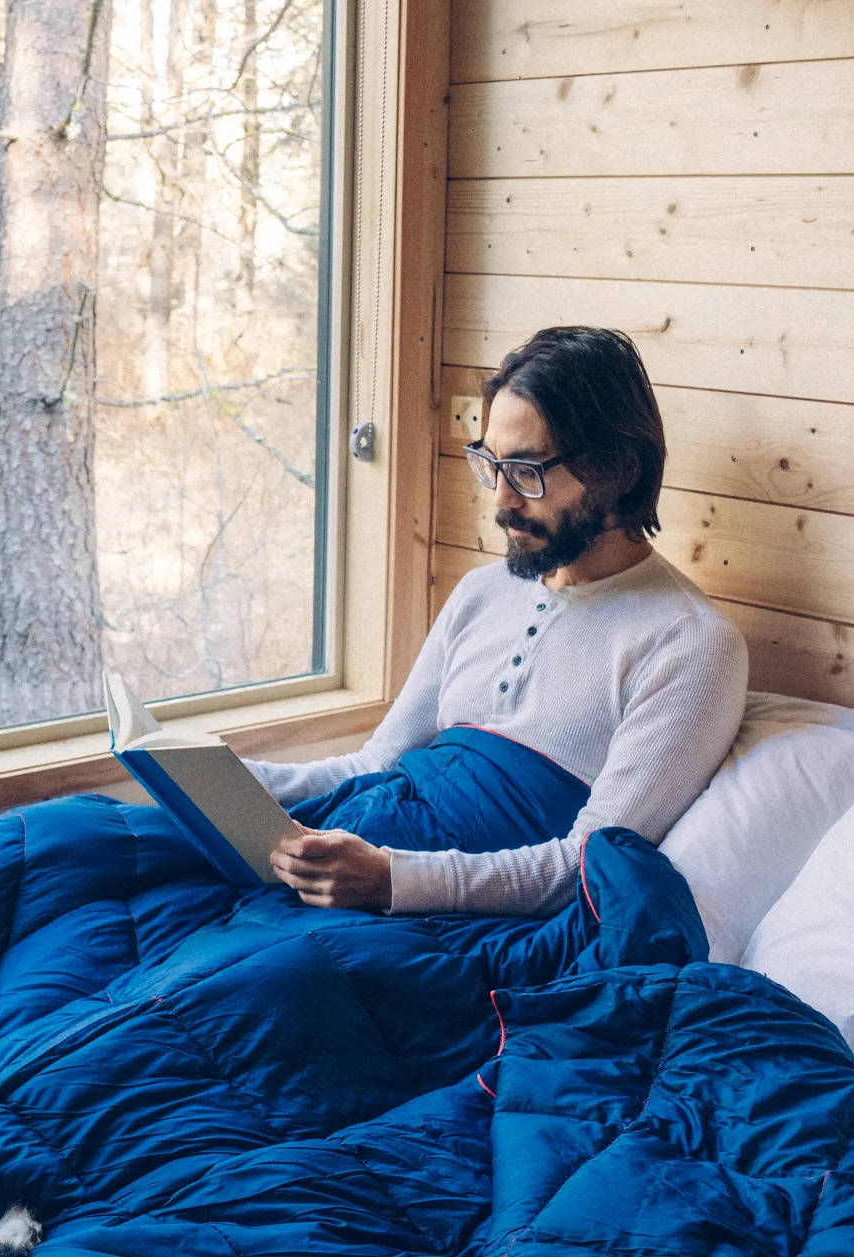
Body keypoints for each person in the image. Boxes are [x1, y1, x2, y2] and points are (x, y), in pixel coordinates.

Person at [246, 325, 746, 914]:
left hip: (433, 911)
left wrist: (393, 882)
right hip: (355, 838)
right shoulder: (483, 591)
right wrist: (223, 781)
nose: (503, 501)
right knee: (112, 832)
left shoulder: (689, 644)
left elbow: (586, 866)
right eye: (491, 464)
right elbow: (373, 765)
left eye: (529, 472)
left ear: (621, 470)